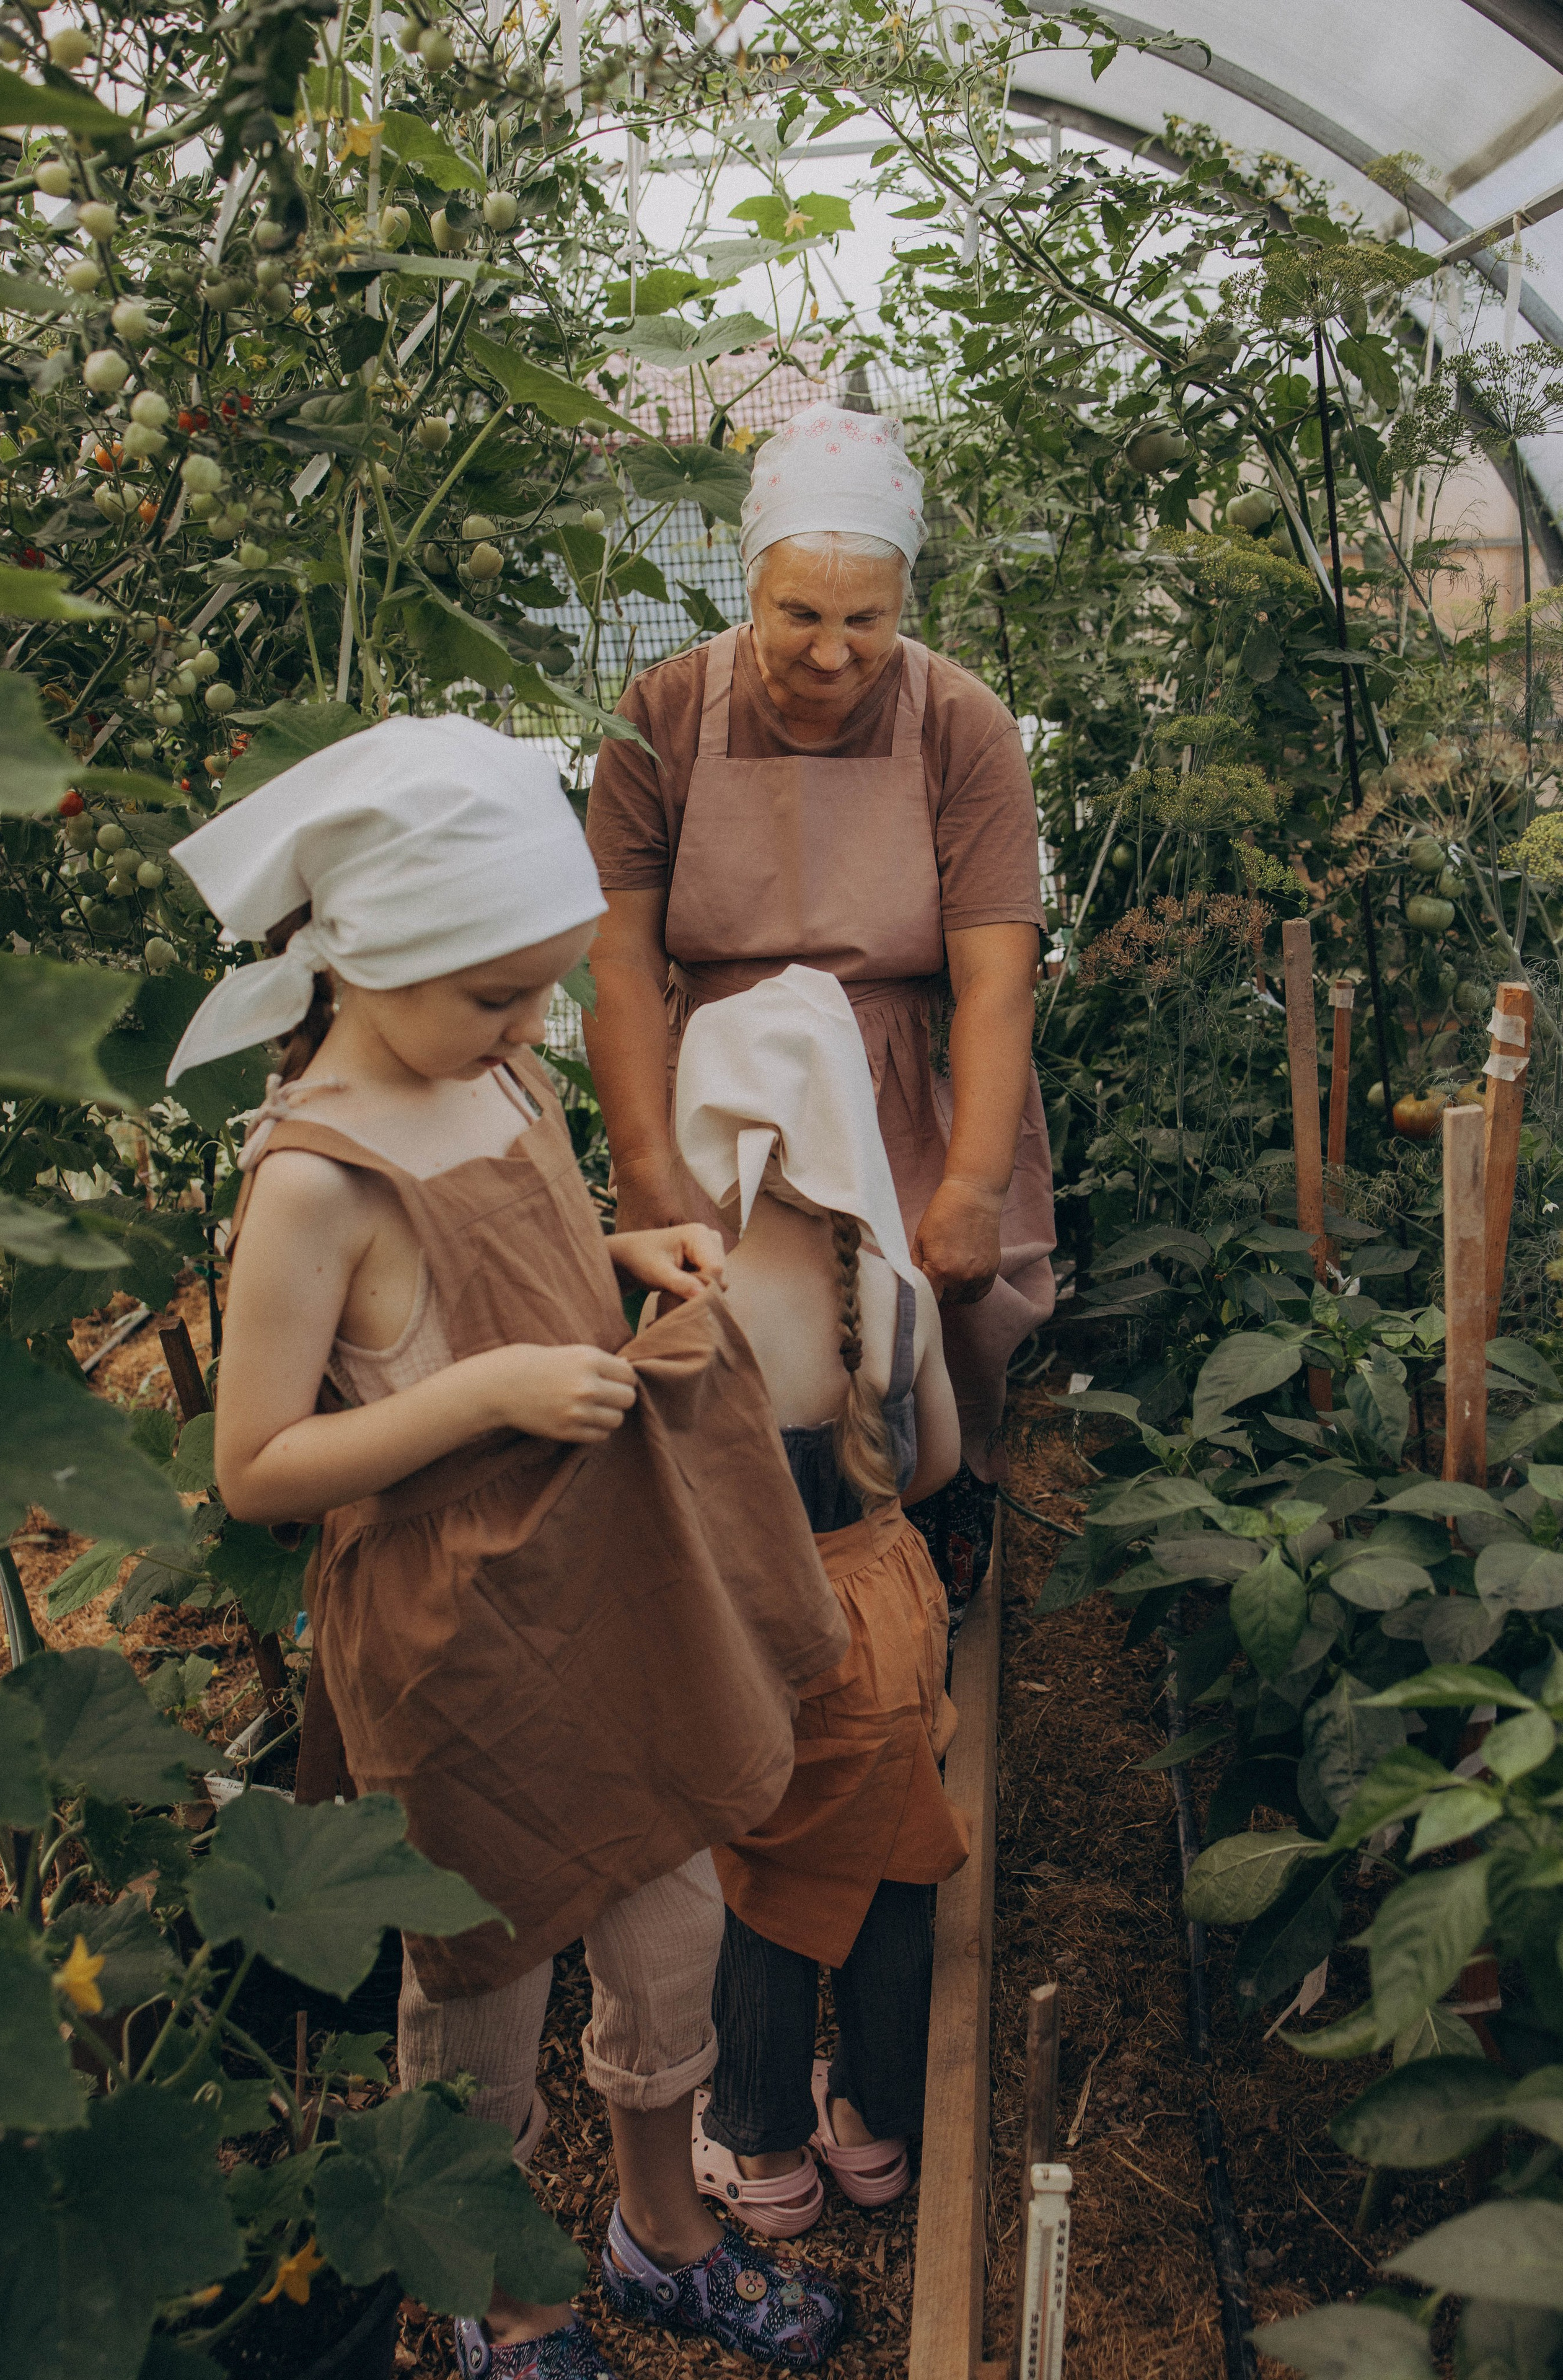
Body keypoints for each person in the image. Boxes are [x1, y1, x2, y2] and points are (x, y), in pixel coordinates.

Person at [175, 717, 849, 2380]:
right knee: (481, 1976)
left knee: (671, 1922)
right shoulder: (316, 1180)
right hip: (459, 1639)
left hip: (613, 1574)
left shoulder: (488, 1072)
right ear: (367, 962)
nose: (532, 1028)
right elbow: (257, 1466)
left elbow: (511, 1244)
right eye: (498, 997)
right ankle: (504, 2301)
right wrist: (480, 1392)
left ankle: (659, 2229)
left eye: (543, 991)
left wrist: (626, 1250)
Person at [583, 401, 1057, 1624]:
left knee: (931, 1319)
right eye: (800, 615)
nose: (836, 654)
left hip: (896, 1074)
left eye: (867, 621)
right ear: (748, 586)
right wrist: (647, 1169)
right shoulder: (660, 717)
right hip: (721, 1082)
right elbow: (617, 961)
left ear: (904, 602)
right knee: (731, 1332)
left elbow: (994, 976)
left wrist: (970, 1185)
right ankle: (740, 1576)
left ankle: (943, 1516)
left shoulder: (961, 725)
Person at [670, 965, 969, 2236]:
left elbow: (676, 1512)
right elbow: (939, 1463)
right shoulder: (896, 1290)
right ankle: (872, 2127)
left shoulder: (705, 1305)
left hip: (772, 1636)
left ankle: (760, 2146)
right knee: (896, 1855)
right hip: (893, 1610)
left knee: (765, 1873)